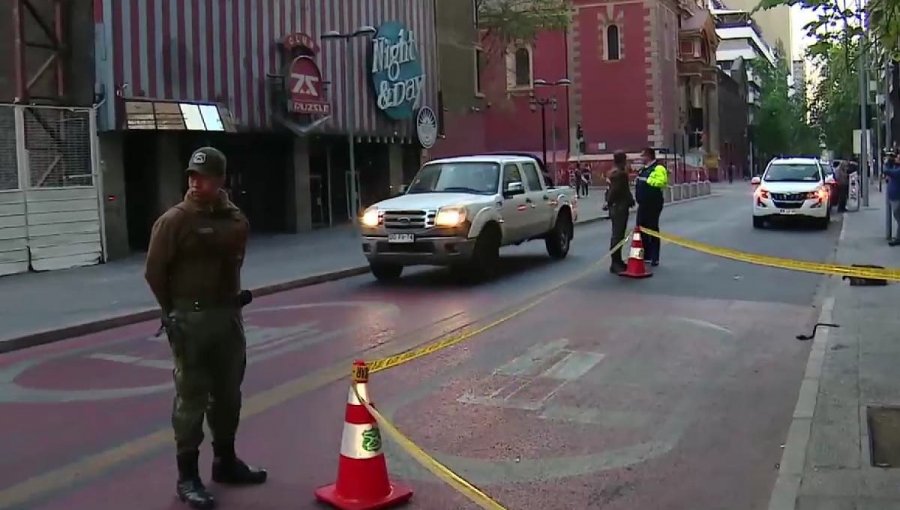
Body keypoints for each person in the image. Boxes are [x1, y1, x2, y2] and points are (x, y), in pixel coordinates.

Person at [145, 147, 267, 509]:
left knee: (229, 394)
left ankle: (225, 461)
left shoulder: (234, 219)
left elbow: (235, 259)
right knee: (191, 399)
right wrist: (174, 311)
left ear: (220, 180)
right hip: (191, 321)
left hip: (227, 318)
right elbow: (154, 272)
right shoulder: (174, 221)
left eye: (205, 177)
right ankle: (187, 476)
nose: (197, 183)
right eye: (192, 177)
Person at [635, 147, 668, 266]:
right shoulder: (643, 170)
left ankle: (655, 257)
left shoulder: (658, 168)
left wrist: (649, 181)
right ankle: (646, 255)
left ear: (649, 156)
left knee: (653, 229)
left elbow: (661, 182)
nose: (641, 158)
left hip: (653, 204)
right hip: (643, 204)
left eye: (643, 156)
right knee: (640, 228)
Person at [606, 151, 635, 273]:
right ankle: (615, 263)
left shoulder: (612, 172)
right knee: (618, 236)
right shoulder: (620, 174)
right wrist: (630, 200)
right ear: (622, 160)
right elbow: (618, 191)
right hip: (620, 207)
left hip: (615, 207)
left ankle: (617, 261)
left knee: (617, 235)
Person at [883, 151, 900, 246]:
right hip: (894, 197)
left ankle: (898, 239)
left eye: (897, 158)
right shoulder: (896, 168)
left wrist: (886, 162)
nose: (896, 159)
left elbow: (886, 171)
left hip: (897, 198)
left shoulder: (898, 171)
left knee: (899, 218)